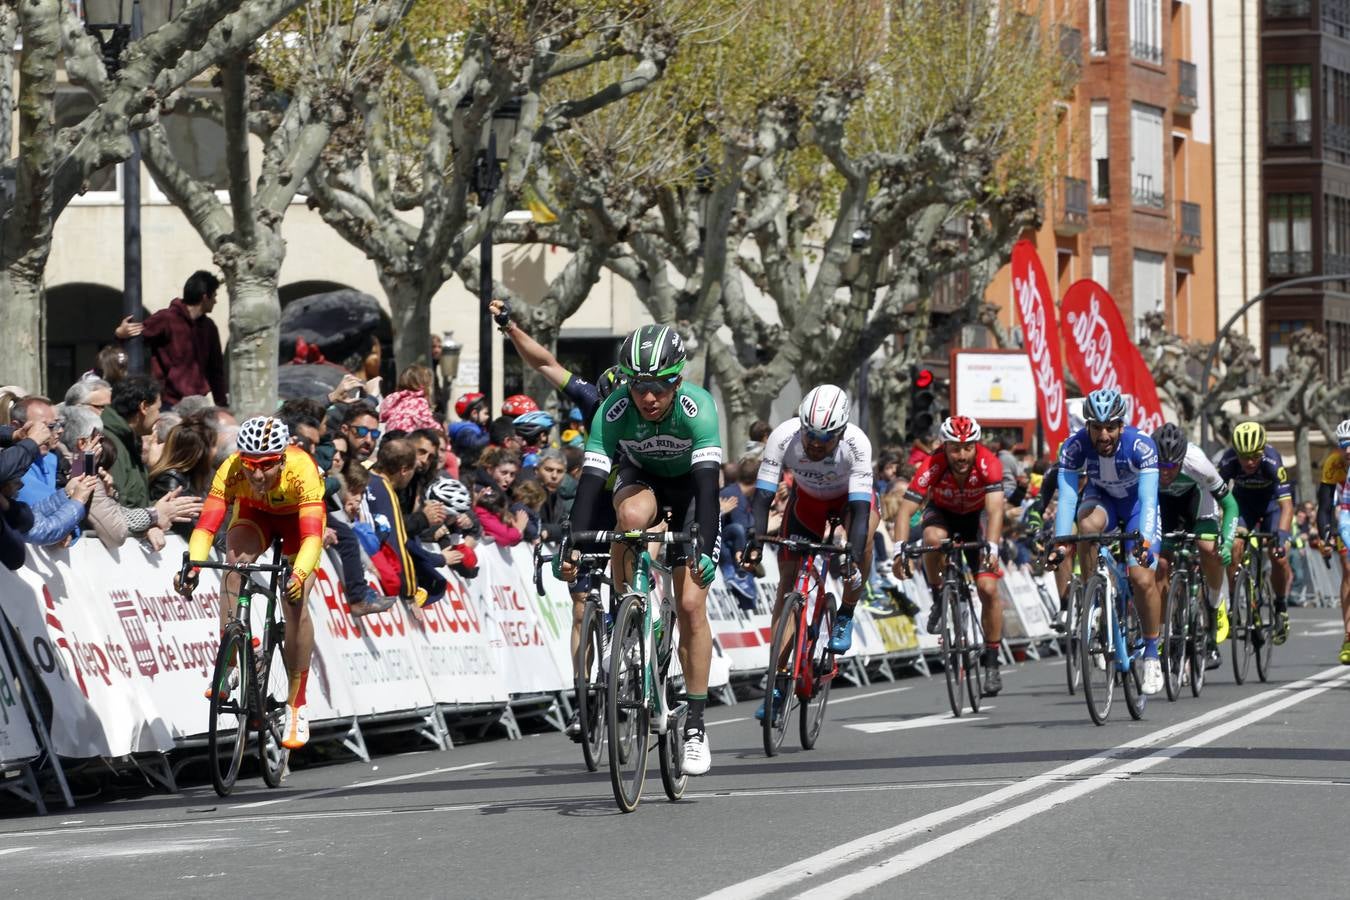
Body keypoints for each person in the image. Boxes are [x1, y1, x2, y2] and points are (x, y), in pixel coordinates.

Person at [559, 324, 722, 775]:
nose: (648, 397)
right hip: (644, 481)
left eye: (659, 386)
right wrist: (571, 542)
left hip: (691, 492)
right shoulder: (612, 411)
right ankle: (624, 615)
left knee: (691, 603)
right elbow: (590, 484)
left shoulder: (697, 408)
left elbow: (708, 490)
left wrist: (703, 547)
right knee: (628, 520)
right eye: (638, 386)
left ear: (677, 380)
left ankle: (694, 726)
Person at [177, 416, 326, 750]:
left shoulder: (302, 470)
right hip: (255, 515)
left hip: (296, 526)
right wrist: (193, 567)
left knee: (294, 601)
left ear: (283, 458)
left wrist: (299, 575)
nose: (257, 475)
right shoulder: (230, 469)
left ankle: (296, 702)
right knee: (233, 566)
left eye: (268, 465)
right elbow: (206, 527)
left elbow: (312, 538)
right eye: (250, 465)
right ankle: (231, 661)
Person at [742, 386, 876, 717]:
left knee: (867, 533)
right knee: (787, 583)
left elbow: (859, 512)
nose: (815, 442)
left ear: (841, 431)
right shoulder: (784, 437)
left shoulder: (857, 445)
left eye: (825, 437)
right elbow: (763, 497)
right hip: (808, 505)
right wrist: (754, 541)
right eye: (810, 434)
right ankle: (778, 680)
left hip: (847, 502)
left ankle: (845, 612)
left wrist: (853, 555)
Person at [1052, 389, 1164, 695]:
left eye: (1110, 427)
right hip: (1103, 502)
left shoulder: (1140, 444)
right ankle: (1094, 599)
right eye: (1097, 427)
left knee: (1142, 578)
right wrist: (1061, 544)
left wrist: (1144, 539)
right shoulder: (1074, 446)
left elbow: (1149, 497)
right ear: (1087, 425)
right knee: (1086, 525)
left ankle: (1153, 653)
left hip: (1137, 507)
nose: (1103, 435)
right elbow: (1067, 500)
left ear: (1121, 425)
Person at [892, 415, 1008, 695]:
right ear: (944, 446)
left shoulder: (988, 463)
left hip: (976, 519)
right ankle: (938, 596)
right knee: (931, 538)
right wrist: (899, 551)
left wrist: (991, 547)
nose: (962, 454)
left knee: (988, 588)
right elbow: (905, 511)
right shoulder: (932, 464)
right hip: (943, 514)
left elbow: (994, 511)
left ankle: (991, 662)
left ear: (976, 446)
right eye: (955, 448)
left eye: (968, 447)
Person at [1152, 422, 1238, 666]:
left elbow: (1230, 506)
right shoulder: (1144, 461)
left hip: (1197, 501)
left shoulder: (1197, 462)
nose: (1166, 471)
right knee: (1160, 563)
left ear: (1181, 458)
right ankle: (1162, 632)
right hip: (1164, 505)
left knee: (1207, 548)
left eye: (1171, 466)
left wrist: (1227, 542)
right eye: (1161, 465)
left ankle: (1214, 601)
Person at [1215, 421, 1295, 646]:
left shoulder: (1272, 461)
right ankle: (1234, 603)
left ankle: (1280, 606)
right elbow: (1215, 495)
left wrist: (1281, 534)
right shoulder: (1228, 461)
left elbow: (1287, 506)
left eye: (1254, 456)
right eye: (1244, 457)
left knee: (1278, 556)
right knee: (1234, 546)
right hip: (1243, 505)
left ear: (1262, 450)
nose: (1249, 462)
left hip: (1272, 506)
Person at [114, 270, 227, 407]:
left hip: (198, 404)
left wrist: (222, 405)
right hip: (169, 404)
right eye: (214, 296)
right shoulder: (166, 319)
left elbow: (216, 370)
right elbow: (135, 338)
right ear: (205, 297)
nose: (215, 301)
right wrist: (120, 334)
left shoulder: (209, 328)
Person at [1315, 418, 1350, 663]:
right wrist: (1326, 533)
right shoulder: (1334, 463)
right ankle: (1349, 636)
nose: (1347, 450)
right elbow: (1325, 506)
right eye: (1343, 444)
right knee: (1348, 569)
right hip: (1348, 513)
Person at [147, 417, 217, 540]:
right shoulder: (170, 480)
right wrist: (220, 540)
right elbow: (185, 524)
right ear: (200, 452)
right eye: (212, 445)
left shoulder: (199, 478)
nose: (216, 450)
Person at [101, 375, 162, 509]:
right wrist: (156, 512)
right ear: (144, 407)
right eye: (158, 409)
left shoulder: (128, 441)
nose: (159, 416)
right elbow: (117, 510)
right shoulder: (108, 444)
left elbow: (136, 501)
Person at [448, 392, 491, 468]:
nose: (488, 417)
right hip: (467, 472)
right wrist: (492, 435)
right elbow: (475, 444)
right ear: (474, 413)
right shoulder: (466, 430)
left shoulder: (473, 428)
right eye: (485, 413)